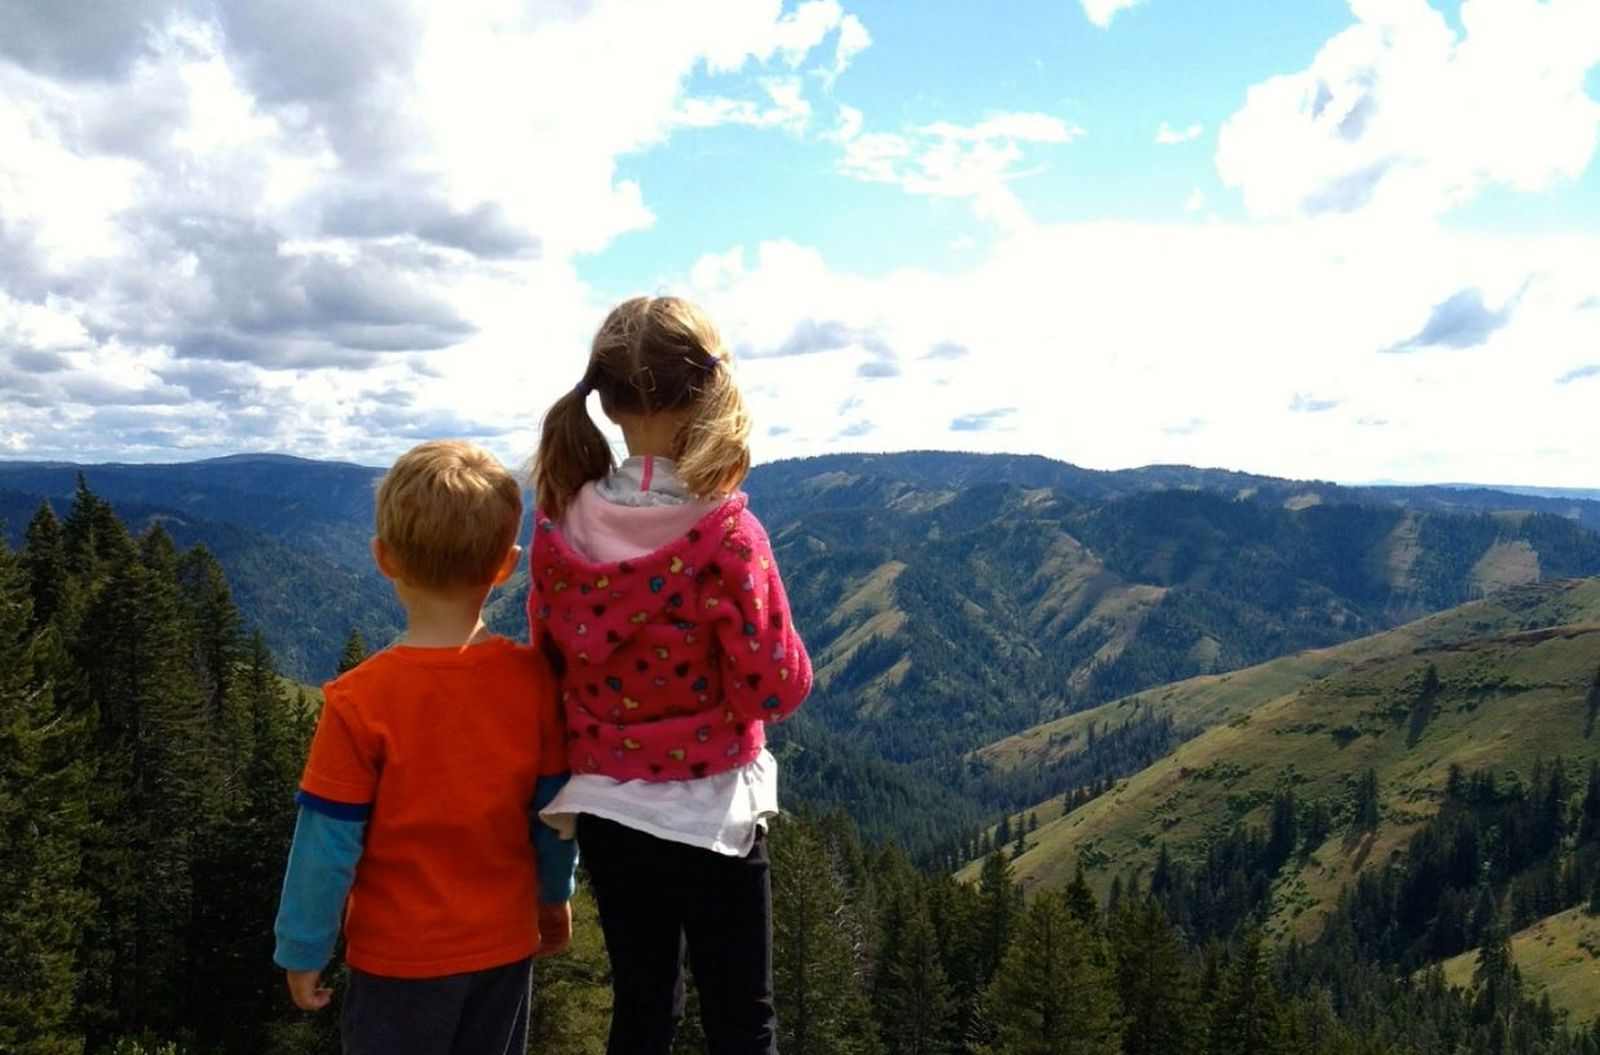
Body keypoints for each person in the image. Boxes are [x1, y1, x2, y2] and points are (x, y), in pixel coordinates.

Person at [529, 295, 812, 1055]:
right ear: (705, 392)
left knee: (644, 1003)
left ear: (610, 401)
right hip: (712, 811)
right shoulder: (726, 532)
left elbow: (547, 661)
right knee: (742, 1017)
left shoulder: (562, 525)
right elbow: (773, 688)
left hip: (606, 809)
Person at [273, 439, 577, 1055]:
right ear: (505, 565)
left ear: (383, 558)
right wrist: (555, 898)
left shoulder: (359, 702)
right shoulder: (535, 684)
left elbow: (326, 844)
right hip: (502, 947)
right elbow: (555, 816)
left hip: (398, 962)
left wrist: (304, 949)